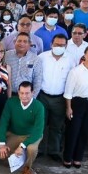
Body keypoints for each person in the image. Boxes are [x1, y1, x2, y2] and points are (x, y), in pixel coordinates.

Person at [36, 34, 75, 162]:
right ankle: (39, 150)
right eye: (57, 44)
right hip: (42, 96)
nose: (59, 47)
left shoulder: (70, 60)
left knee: (57, 127)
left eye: (62, 45)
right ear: (51, 44)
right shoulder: (42, 57)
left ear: (66, 46)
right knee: (40, 125)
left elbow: (72, 80)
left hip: (60, 98)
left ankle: (54, 151)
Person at [0, 81, 46, 174]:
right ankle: (19, 157)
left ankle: (27, 168)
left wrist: (22, 146)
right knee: (1, 156)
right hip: (15, 134)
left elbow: (38, 131)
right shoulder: (11, 102)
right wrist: (2, 143)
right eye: (22, 93)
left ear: (32, 92)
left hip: (31, 135)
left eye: (27, 93)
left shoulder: (39, 106)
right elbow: (3, 122)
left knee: (31, 149)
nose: (24, 96)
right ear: (18, 92)